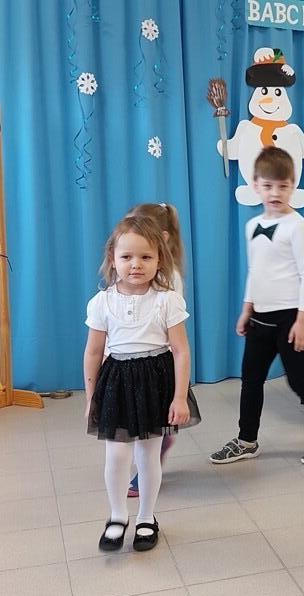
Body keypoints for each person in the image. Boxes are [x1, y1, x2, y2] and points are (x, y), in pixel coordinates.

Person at [209, 147, 304, 466]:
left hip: (292, 319)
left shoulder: (298, 227)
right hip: (260, 318)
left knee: (299, 382)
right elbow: (255, 271)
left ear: (293, 186)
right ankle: (247, 439)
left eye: (283, 186)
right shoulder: (252, 226)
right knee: (251, 379)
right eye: (268, 186)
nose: (275, 193)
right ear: (255, 185)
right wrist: (247, 309)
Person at [83, 215, 200, 552]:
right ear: (112, 259)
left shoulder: (167, 300)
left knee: (148, 455)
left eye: (146, 256)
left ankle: (147, 517)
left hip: (155, 380)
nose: (136, 264)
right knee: (116, 455)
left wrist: (180, 397)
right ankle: (117, 515)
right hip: (117, 381)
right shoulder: (102, 302)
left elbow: (180, 351)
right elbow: (93, 352)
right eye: (127, 256)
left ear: (159, 260)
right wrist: (91, 398)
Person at [124, 203, 184, 497]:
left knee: (149, 422)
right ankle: (153, 454)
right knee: (138, 420)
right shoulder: (131, 274)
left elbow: (172, 329)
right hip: (131, 362)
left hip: (157, 361)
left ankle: (146, 469)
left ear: (161, 238)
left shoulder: (169, 280)